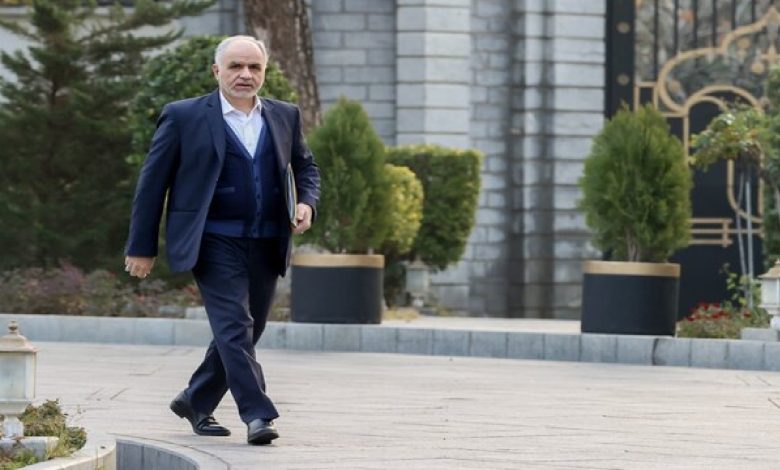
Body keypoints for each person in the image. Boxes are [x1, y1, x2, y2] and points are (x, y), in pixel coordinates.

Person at [124, 35, 320, 445]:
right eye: (235, 66)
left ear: (264, 72)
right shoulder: (183, 116)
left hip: (267, 239)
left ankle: (195, 399)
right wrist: (141, 247)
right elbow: (152, 184)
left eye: (254, 67)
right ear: (217, 71)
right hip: (212, 239)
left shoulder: (285, 115)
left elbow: (306, 168)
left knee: (249, 329)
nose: (245, 74)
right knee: (235, 325)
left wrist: (306, 202)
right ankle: (258, 415)